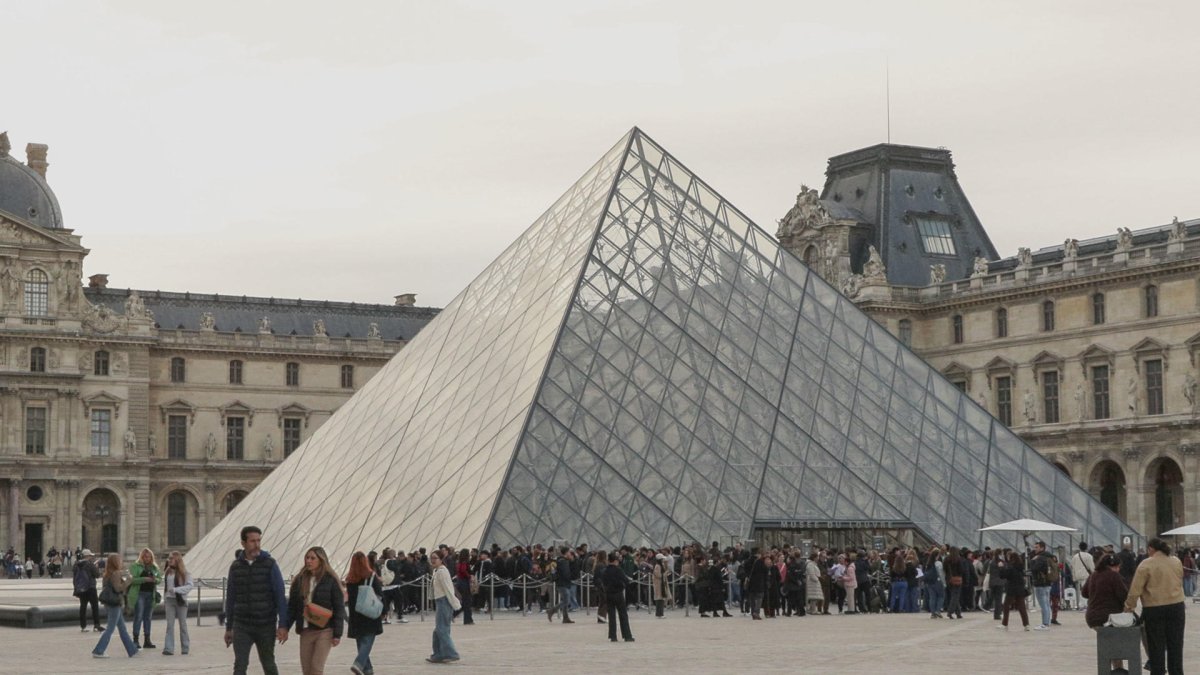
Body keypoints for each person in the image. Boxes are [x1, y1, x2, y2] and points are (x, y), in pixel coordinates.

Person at [224, 525, 289, 675]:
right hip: (242, 625)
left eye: (259, 540)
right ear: (243, 543)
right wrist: (229, 627)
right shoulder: (235, 567)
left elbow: (280, 595)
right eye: (252, 541)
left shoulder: (270, 564)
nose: (257, 544)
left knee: (268, 663)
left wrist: (283, 625)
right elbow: (231, 598)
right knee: (240, 665)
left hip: (265, 624)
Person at [1124, 538, 1186, 675]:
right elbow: (1179, 579)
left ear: (1151, 549)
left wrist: (1129, 607)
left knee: (1156, 646)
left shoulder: (1146, 564)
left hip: (1154, 608)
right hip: (1176, 606)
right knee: (1176, 644)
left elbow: (1135, 590)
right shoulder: (1176, 561)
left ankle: (1158, 672)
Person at [286, 546, 344, 675]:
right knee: (307, 670)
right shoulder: (300, 580)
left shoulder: (330, 580)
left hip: (324, 630)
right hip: (306, 630)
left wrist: (337, 634)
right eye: (307, 558)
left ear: (321, 560)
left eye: (313, 558)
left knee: (316, 668)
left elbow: (339, 608)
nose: (309, 561)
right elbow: (292, 607)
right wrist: (285, 627)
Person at [1082, 554, 1130, 675]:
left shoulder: (1093, 575)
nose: (1118, 570)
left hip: (1092, 617)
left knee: (1111, 641)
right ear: (1114, 566)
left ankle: (1117, 668)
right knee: (1116, 641)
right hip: (1110, 618)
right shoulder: (1114, 576)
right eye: (1118, 567)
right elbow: (1124, 596)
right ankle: (1118, 670)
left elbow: (1084, 593)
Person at [92, 553, 139, 658]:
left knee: (122, 629)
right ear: (116, 562)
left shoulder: (107, 574)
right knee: (110, 629)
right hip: (115, 603)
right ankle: (99, 650)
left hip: (109, 603)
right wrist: (128, 581)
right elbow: (118, 588)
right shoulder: (116, 573)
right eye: (120, 560)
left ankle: (132, 650)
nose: (121, 562)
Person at [345, 551, 382, 675]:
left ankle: (368, 669)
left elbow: (350, 600)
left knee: (361, 642)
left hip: (356, 615)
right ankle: (359, 663)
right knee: (367, 642)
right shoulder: (371, 576)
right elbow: (379, 594)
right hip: (370, 613)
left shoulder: (350, 580)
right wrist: (384, 610)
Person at [427, 551, 461, 664]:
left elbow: (448, 589)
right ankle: (438, 654)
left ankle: (451, 653)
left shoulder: (442, 572)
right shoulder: (437, 571)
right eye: (431, 558)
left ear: (441, 560)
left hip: (444, 601)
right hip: (440, 601)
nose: (433, 560)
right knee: (439, 630)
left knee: (441, 630)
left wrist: (455, 605)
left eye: (435, 558)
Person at [127, 548, 162, 648]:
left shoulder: (154, 567)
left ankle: (147, 640)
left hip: (151, 594)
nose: (147, 558)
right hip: (139, 594)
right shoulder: (135, 566)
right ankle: (136, 640)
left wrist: (155, 580)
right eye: (145, 557)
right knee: (138, 616)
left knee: (148, 617)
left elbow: (159, 579)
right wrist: (144, 579)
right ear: (141, 557)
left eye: (149, 557)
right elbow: (132, 580)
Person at [162, 551, 194, 656]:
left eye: (172, 558)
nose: (169, 560)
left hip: (180, 600)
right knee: (169, 625)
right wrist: (165, 597)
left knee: (182, 624)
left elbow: (190, 586)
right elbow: (166, 586)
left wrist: (176, 590)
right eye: (169, 558)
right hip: (169, 600)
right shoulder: (168, 572)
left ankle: (185, 647)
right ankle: (168, 648)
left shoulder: (185, 573)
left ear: (177, 560)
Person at [599, 552, 635, 642]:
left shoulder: (604, 570)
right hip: (618, 594)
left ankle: (613, 636)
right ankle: (627, 635)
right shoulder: (618, 570)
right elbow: (626, 580)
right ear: (615, 561)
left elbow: (602, 582)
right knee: (623, 615)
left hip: (608, 594)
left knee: (611, 616)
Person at [72, 548, 102, 632]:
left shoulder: (76, 565)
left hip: (81, 588)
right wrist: (96, 567)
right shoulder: (90, 564)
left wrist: (76, 587)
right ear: (87, 556)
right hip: (91, 587)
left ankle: (83, 626)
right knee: (94, 607)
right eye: (90, 556)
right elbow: (97, 575)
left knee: (83, 607)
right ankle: (96, 625)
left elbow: (75, 578)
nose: (91, 557)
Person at [1000, 551, 1030, 631]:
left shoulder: (1011, 567)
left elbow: (1003, 575)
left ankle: (1004, 624)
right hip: (1020, 589)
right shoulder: (1020, 566)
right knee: (1022, 607)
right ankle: (1026, 624)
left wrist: (1001, 567)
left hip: (1012, 589)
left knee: (1006, 606)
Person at [1028, 541, 1054, 630]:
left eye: (1037, 547)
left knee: (1043, 605)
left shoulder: (1040, 558)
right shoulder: (1049, 556)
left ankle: (1045, 624)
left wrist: (1032, 561)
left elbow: (1034, 569)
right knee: (1047, 604)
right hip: (1048, 583)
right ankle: (1047, 622)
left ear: (1042, 548)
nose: (1035, 549)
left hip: (1040, 584)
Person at [1070, 541, 1095, 610]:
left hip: (1077, 575)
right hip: (1085, 575)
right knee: (1086, 590)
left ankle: (1080, 604)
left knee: (1079, 590)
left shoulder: (1075, 556)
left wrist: (1074, 576)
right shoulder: (1089, 556)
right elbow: (1092, 567)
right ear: (1086, 548)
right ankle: (1084, 604)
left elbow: (1072, 567)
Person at [925, 548, 944, 619]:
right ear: (937, 555)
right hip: (937, 581)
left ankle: (933, 613)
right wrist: (944, 583)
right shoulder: (938, 563)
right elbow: (941, 574)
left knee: (932, 597)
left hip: (930, 582)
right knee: (941, 596)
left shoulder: (928, 563)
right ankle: (938, 611)